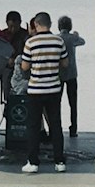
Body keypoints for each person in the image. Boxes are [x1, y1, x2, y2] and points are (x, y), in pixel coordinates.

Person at [20, 11, 68, 174]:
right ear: (50, 24)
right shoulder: (58, 41)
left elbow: (25, 67)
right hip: (54, 88)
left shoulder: (31, 43)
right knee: (55, 124)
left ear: (36, 25)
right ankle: (59, 161)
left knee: (33, 126)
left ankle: (33, 162)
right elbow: (65, 63)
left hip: (35, 89)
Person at [57, 14, 85, 137]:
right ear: (70, 26)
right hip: (72, 73)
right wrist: (76, 35)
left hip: (58, 74)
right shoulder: (73, 38)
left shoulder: (56, 38)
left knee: (56, 103)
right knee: (73, 103)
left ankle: (56, 127)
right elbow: (82, 42)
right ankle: (73, 128)